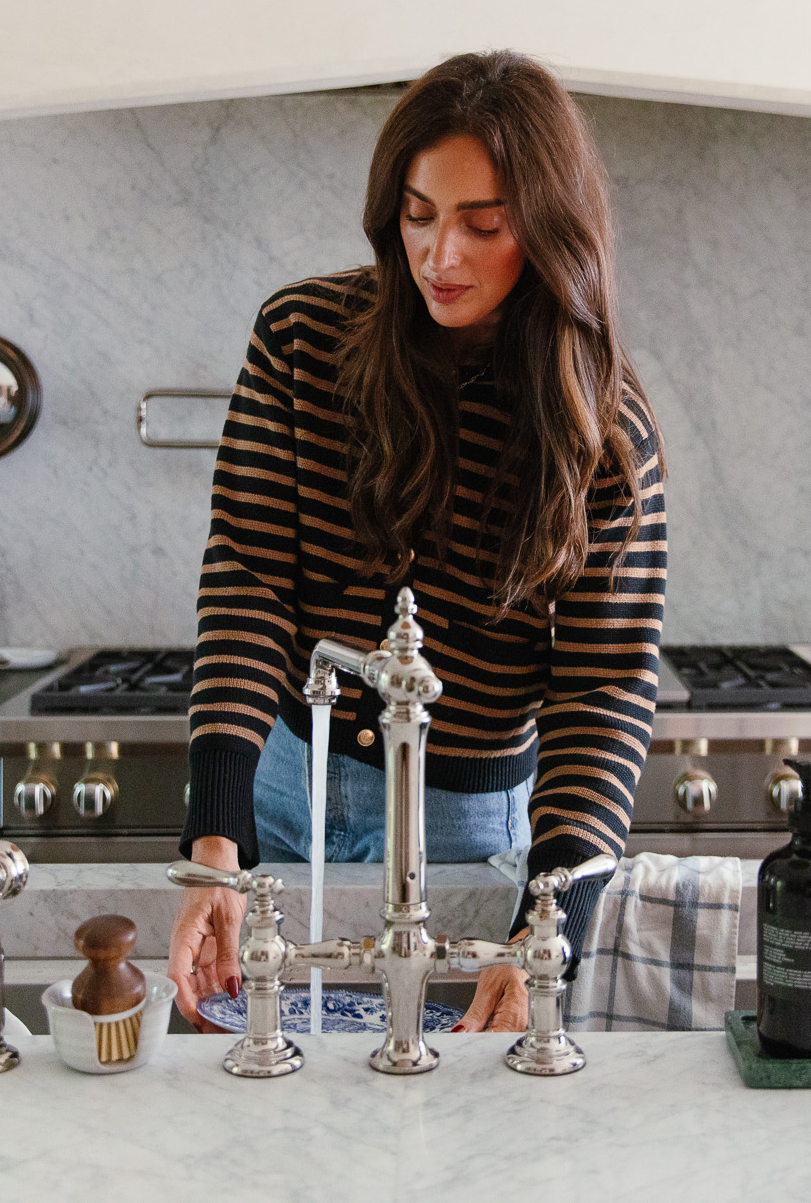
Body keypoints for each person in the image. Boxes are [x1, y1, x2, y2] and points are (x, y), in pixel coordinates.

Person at [168, 50, 667, 1035]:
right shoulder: (301, 339)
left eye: (483, 225)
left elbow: (601, 689)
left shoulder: (604, 432)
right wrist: (213, 840)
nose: (440, 256)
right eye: (418, 215)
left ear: (551, 226)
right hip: (280, 780)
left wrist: (547, 923)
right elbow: (249, 573)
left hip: (468, 826)